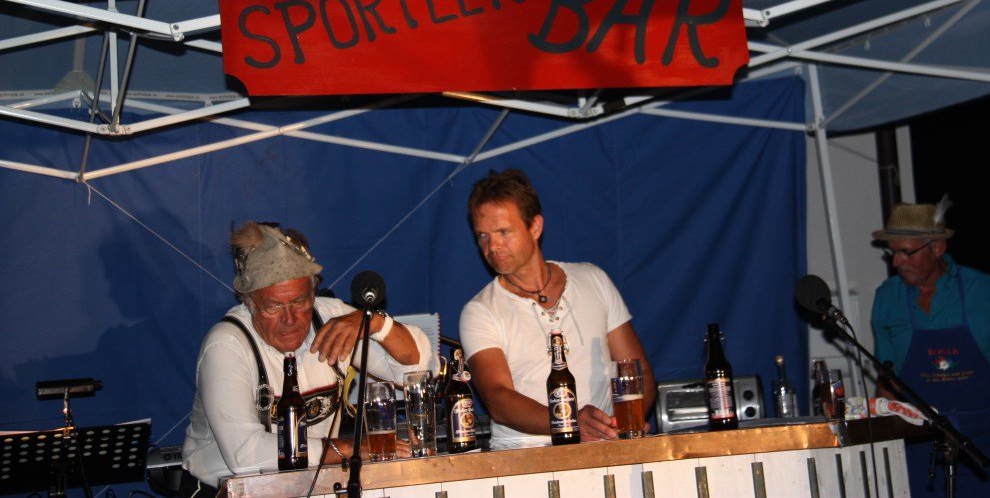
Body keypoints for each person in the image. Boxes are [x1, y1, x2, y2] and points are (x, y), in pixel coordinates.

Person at [180, 222, 434, 497]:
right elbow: (245, 454)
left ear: (313, 294)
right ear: (249, 301)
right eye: (273, 306)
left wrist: (374, 322)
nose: (289, 319)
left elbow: (415, 368)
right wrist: (350, 449)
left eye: (300, 302)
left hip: (307, 486)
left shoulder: (330, 319)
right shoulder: (227, 345)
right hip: (223, 490)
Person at [458, 169, 655, 448]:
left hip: (605, 450)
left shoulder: (593, 279)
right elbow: (498, 399)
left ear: (535, 227)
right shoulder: (480, 310)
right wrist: (570, 421)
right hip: (525, 458)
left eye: (503, 232)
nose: (493, 246)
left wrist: (624, 425)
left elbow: (638, 371)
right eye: (483, 236)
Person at [871, 199, 990, 496]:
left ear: (936, 248)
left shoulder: (987, 293)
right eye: (892, 252)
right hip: (922, 458)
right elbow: (888, 383)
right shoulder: (887, 299)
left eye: (906, 252)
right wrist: (883, 452)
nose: (896, 263)